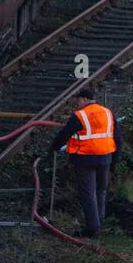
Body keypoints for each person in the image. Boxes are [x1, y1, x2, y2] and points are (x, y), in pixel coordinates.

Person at [50, 88, 122, 238]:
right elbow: (117, 137)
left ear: (83, 99)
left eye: (77, 100)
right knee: (101, 190)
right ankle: (99, 221)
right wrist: (115, 159)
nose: (77, 103)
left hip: (85, 159)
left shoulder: (80, 115)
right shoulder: (107, 112)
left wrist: (53, 148)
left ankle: (93, 229)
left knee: (88, 193)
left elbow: (64, 134)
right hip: (106, 158)